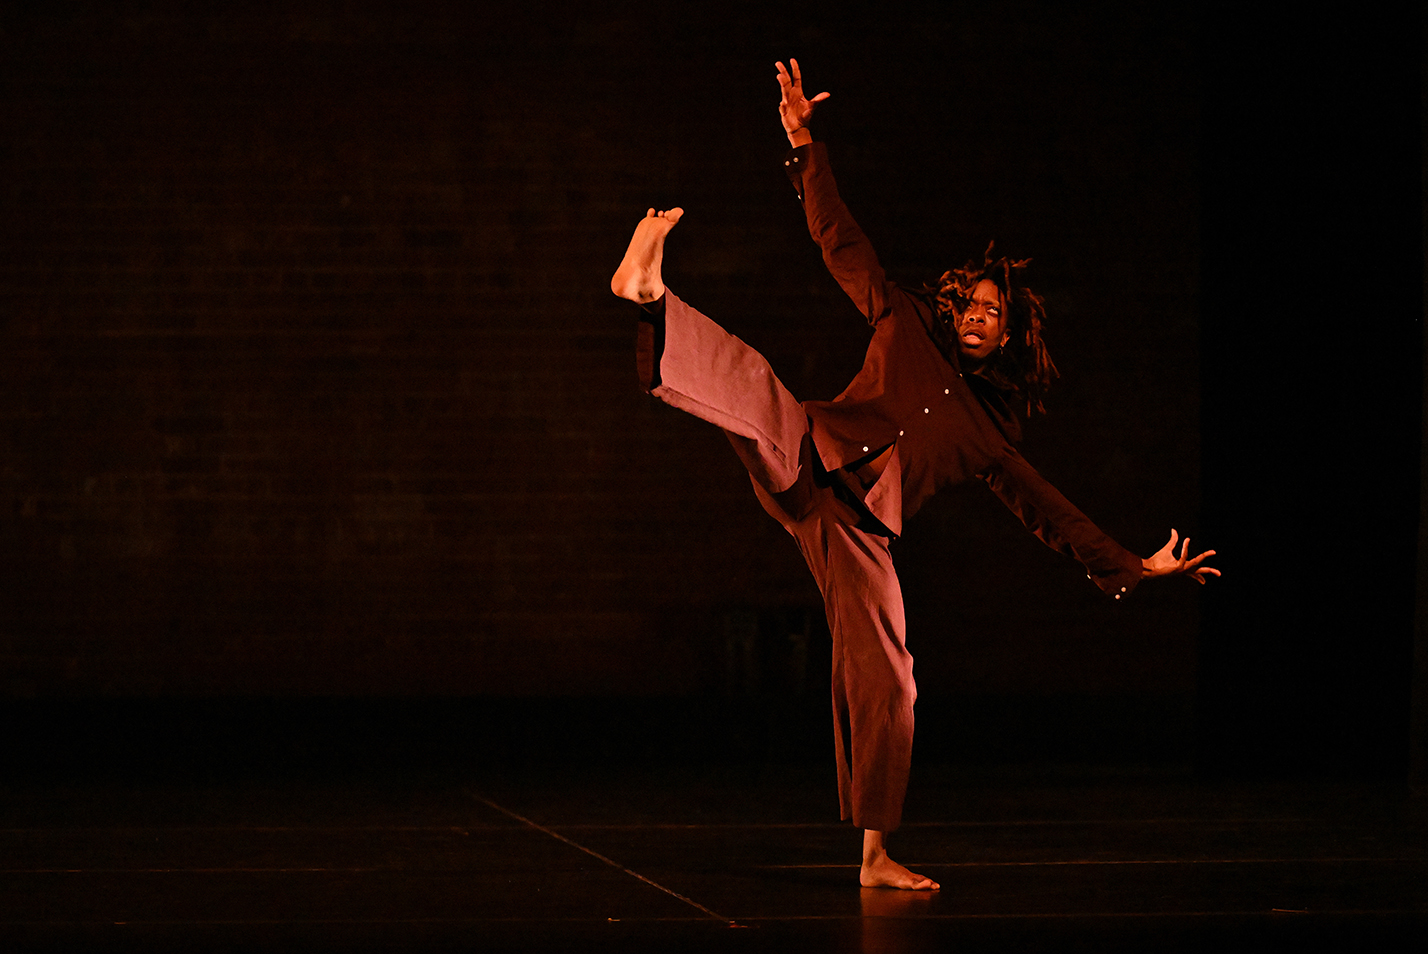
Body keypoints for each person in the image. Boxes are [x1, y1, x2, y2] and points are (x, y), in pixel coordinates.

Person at [610, 59, 1218, 891]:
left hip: (862, 534)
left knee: (889, 675)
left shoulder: (988, 434)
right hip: (809, 454)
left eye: (989, 313)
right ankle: (652, 301)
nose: (973, 316)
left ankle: (875, 855)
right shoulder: (900, 315)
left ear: (1009, 335)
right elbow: (839, 239)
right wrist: (802, 144)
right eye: (966, 303)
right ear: (948, 303)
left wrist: (1128, 567)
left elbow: (1048, 511)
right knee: (756, 392)